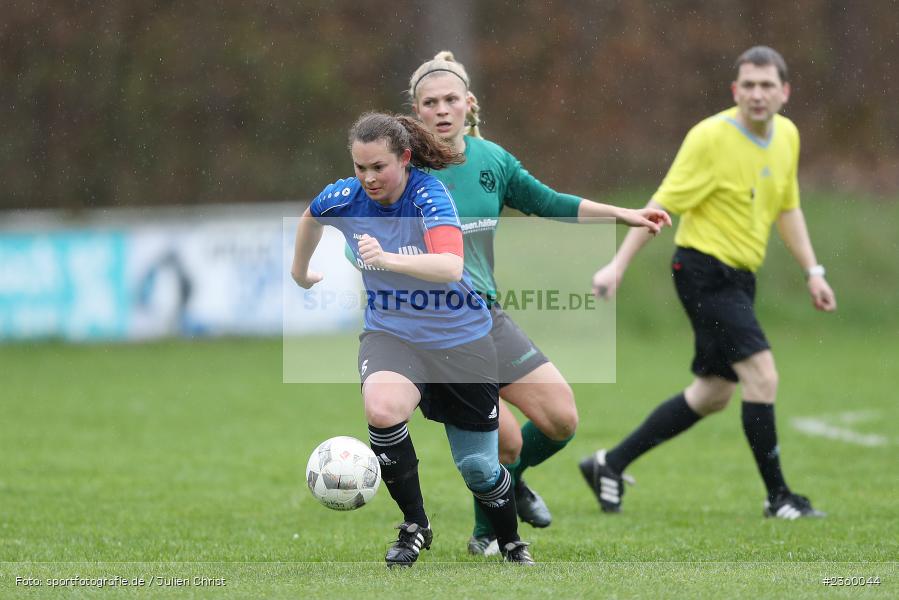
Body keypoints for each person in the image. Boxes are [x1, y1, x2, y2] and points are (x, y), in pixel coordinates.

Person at [405, 51, 671, 554]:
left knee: (560, 419)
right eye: (430, 103)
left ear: (469, 104)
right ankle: (487, 533)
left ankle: (510, 485)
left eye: (450, 100)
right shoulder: (403, 166)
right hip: (434, 329)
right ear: (416, 112)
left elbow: (548, 201)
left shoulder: (493, 161)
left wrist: (622, 214)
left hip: (486, 315)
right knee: (503, 443)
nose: (441, 110)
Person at [581, 46, 837, 520]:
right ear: (735, 90)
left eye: (767, 85)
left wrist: (813, 272)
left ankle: (608, 464)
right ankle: (779, 498)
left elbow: (787, 207)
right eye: (748, 85)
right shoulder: (709, 138)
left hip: (739, 278)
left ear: (784, 92)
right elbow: (659, 207)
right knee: (762, 375)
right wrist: (617, 266)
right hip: (702, 271)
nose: (757, 94)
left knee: (714, 393)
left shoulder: (787, 136)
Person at [292, 111, 535, 565]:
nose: (368, 178)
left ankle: (510, 540)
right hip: (393, 334)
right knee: (382, 409)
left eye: (378, 167)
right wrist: (300, 271)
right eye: (360, 167)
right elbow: (311, 216)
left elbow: (450, 266)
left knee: (479, 469)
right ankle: (415, 525)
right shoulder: (345, 196)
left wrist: (386, 258)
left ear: (404, 159)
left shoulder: (429, 195)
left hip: (461, 339)